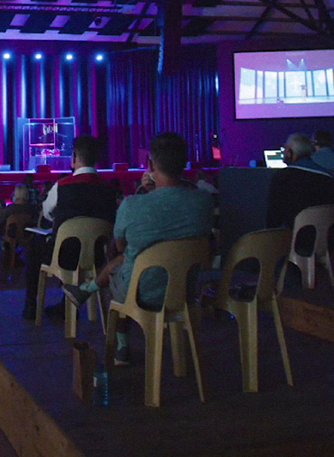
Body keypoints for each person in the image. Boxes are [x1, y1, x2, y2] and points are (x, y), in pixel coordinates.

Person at [62, 132, 214, 366]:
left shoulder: (133, 205)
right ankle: (85, 289)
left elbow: (122, 246)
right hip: (186, 289)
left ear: (150, 164)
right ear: (184, 163)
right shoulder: (204, 202)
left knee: (122, 265)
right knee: (132, 259)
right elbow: (174, 210)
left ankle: (122, 345)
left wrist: (147, 193)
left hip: (140, 290)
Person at [23, 135, 118, 320]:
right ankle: (64, 303)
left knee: (34, 247)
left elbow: (48, 213)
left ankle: (30, 306)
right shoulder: (109, 189)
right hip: (98, 257)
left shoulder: (62, 186)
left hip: (64, 255)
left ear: (74, 157)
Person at [265, 133, 334, 230]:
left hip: (288, 238)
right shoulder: (329, 179)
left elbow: (273, 217)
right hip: (325, 238)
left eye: (285, 148)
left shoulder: (282, 177)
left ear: (290, 152)